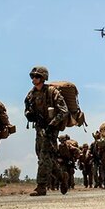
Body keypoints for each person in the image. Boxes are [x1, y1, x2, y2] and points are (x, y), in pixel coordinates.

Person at [24, 66, 69, 196]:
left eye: (37, 76)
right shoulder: (31, 94)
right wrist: (29, 115)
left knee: (44, 156)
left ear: (43, 78)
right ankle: (62, 177)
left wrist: (52, 124)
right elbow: (27, 109)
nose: (34, 79)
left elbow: (64, 111)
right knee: (43, 156)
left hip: (51, 129)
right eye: (32, 76)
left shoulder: (52, 92)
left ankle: (41, 186)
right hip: (39, 128)